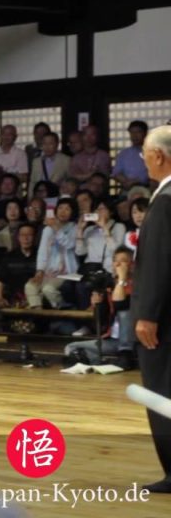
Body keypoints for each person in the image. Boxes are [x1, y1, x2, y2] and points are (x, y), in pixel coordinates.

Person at [133, 124, 171, 494]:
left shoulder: (165, 200)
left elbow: (160, 262)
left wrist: (147, 314)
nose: (143, 159)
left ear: (158, 155)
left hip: (164, 318)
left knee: (163, 390)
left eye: (145, 153)